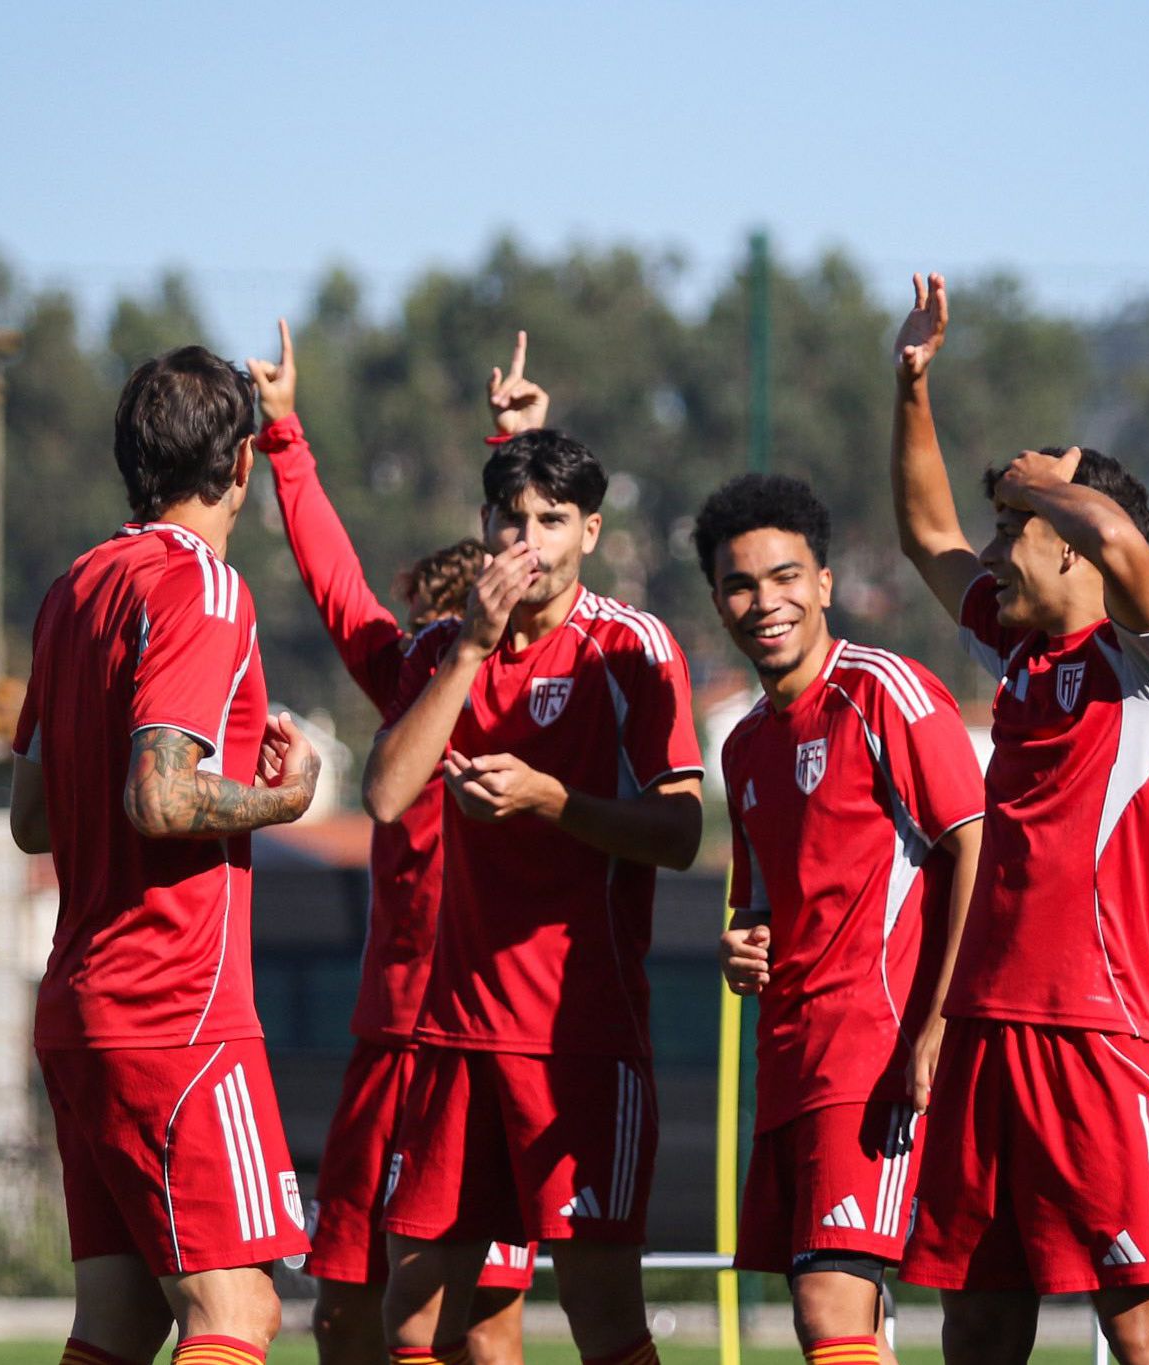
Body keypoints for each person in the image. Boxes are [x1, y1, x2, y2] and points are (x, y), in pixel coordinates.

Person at [886, 273, 1149, 1365]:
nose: (990, 551)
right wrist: (911, 386)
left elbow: (1123, 544)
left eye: (1013, 529)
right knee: (975, 1325)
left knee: (1146, 1333)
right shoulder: (1020, 656)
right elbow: (924, 530)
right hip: (983, 1032)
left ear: (1066, 542)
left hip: (1098, 1038)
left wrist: (1051, 484)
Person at [362, 345, 705, 1365]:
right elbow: (384, 796)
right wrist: (469, 645)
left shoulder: (630, 650)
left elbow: (682, 835)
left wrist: (555, 801)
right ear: (484, 531)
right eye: (512, 520)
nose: (530, 541)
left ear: (590, 533)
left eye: (553, 522)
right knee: (416, 1324)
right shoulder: (441, 651)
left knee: (601, 1321)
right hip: (455, 1037)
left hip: (578, 1037)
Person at [8, 345, 324, 1365]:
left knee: (122, 1320)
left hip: (80, 1010)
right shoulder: (206, 590)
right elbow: (161, 793)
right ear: (240, 467)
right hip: (174, 1012)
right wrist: (282, 798)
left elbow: (31, 816)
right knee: (238, 1314)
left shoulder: (76, 589)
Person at [247, 321, 535, 1365]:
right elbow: (334, 587)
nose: (423, 626)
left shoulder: (551, 695)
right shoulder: (415, 680)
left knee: (483, 1327)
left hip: (487, 1049)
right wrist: (285, 436)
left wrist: (519, 448)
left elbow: (550, 529)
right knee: (342, 1312)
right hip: (391, 1044)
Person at [696, 473, 987, 1365]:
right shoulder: (745, 744)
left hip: (878, 1059)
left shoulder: (887, 692)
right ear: (717, 599)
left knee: (833, 1304)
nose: (764, 601)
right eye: (741, 585)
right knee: (829, 1315)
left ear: (825, 582)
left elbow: (980, 851)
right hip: (791, 1062)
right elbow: (764, 911)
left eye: (785, 577)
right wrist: (743, 949)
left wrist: (935, 1029)